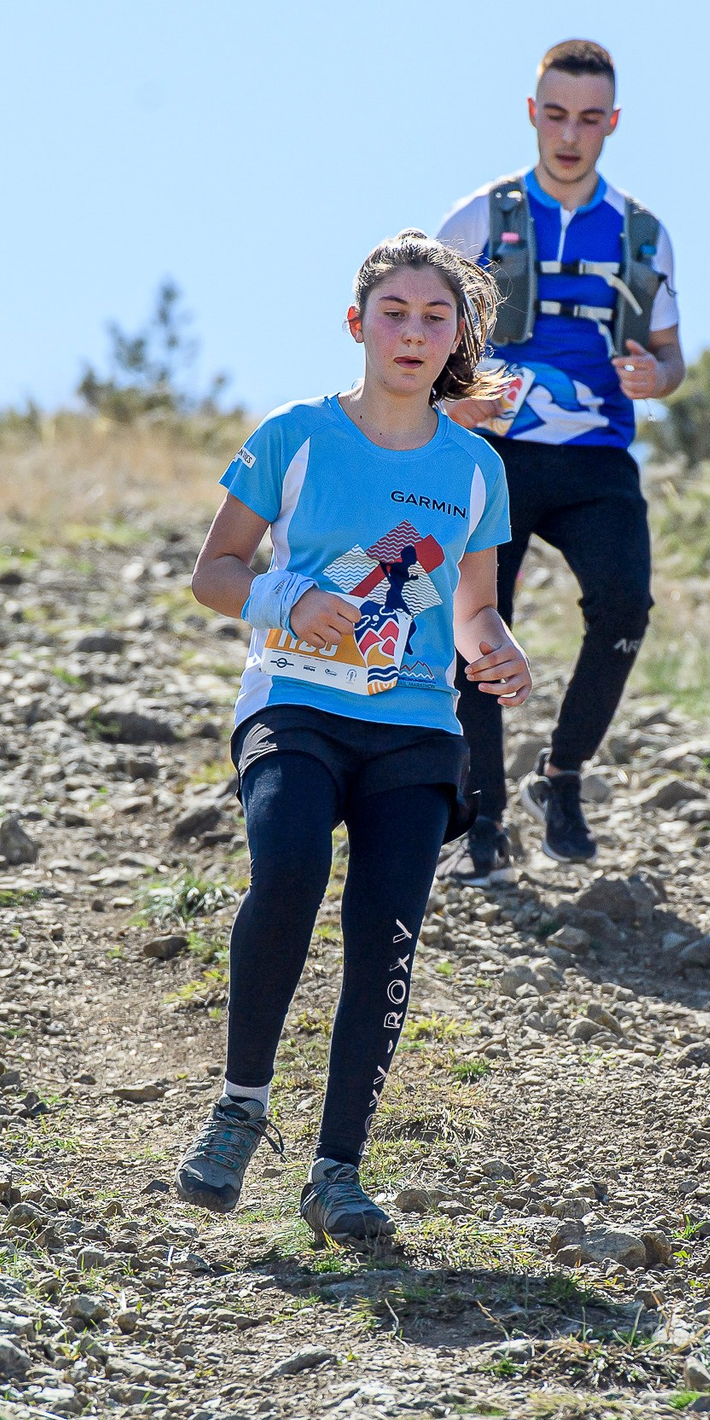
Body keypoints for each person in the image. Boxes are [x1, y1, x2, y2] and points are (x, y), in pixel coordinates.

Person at [175, 231, 531, 1244]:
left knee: (386, 937)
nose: (413, 335)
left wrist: (496, 655)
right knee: (285, 874)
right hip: (293, 703)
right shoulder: (295, 435)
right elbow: (217, 573)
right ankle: (240, 1107)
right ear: (356, 325)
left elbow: (472, 611)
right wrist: (288, 598)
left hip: (415, 729)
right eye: (394, 315)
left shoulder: (473, 470)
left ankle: (335, 1173)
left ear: (457, 333)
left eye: (434, 318)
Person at [433, 38, 684, 882]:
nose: (569, 135)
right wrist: (448, 398)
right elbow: (416, 324)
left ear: (612, 123)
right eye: (555, 115)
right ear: (531, 113)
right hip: (492, 456)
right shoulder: (478, 218)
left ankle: (561, 777)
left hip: (597, 458)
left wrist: (660, 375)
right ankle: (484, 823)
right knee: (479, 630)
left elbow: (672, 359)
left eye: (588, 119)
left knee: (624, 608)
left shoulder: (645, 233)